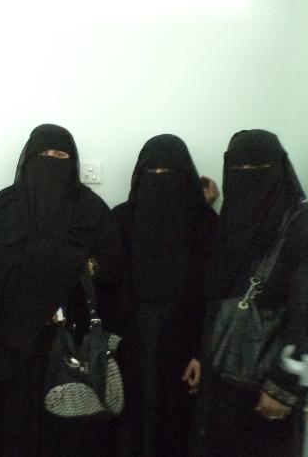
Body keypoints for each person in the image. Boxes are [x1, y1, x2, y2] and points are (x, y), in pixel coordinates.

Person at [0, 124, 109, 456]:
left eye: (60, 155)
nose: (52, 161)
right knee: (14, 425)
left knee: (65, 428)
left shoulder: (90, 208)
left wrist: (71, 265)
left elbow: (110, 261)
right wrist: (60, 263)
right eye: (44, 155)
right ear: (29, 160)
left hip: (69, 339)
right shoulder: (7, 204)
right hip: (11, 341)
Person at [192, 129, 308, 457]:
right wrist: (202, 356)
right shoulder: (232, 220)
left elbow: (306, 312)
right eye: (238, 169)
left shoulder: (301, 226)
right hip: (221, 376)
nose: (247, 177)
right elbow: (217, 294)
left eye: (257, 169)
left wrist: (282, 387)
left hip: (264, 385)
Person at [93, 134, 218, 457]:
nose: (161, 181)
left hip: (184, 345)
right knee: (129, 424)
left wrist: (202, 353)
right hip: (129, 342)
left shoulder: (205, 223)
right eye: (153, 173)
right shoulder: (122, 219)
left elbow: (214, 294)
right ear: (139, 176)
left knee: (176, 424)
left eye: (170, 174)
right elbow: (107, 284)